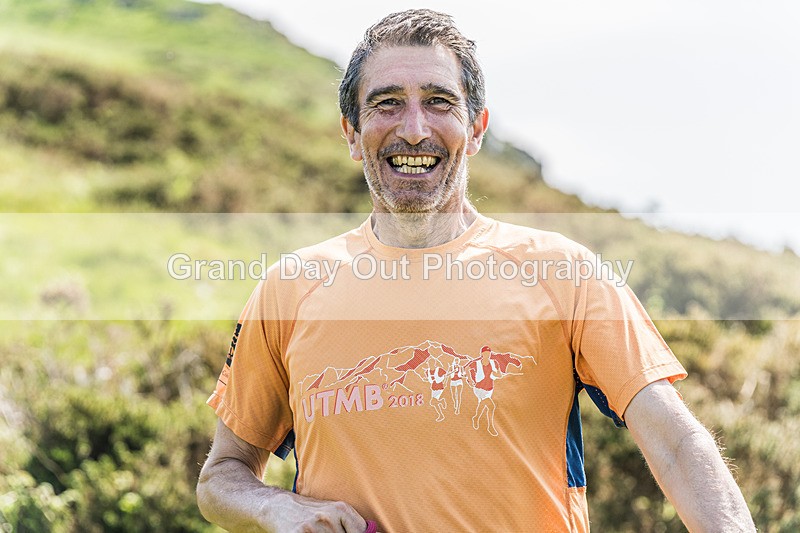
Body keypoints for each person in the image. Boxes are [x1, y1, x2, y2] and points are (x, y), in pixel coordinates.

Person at [196, 9, 756, 532]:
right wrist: (277, 508)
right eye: (386, 103)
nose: (413, 130)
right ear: (350, 131)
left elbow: (678, 445)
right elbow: (223, 476)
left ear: (478, 127)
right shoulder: (288, 290)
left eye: (439, 102)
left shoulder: (564, 274)